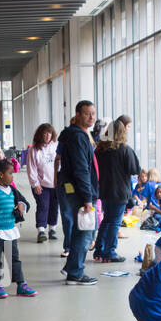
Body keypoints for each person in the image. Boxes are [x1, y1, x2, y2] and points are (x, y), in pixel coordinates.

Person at [57, 100, 100, 286]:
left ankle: (71, 266)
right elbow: (81, 168)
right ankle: (75, 273)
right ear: (77, 115)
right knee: (86, 230)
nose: (91, 117)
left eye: (93, 113)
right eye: (87, 113)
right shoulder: (77, 137)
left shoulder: (78, 135)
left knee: (79, 229)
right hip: (78, 191)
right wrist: (87, 197)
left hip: (74, 189)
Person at [0, 159, 35, 299]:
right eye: (10, 173)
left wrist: (21, 205)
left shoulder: (12, 190)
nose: (13, 176)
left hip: (10, 230)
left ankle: (21, 284)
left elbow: (23, 202)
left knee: (14, 258)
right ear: (0, 175)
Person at [93, 116, 140, 262]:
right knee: (114, 222)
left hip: (105, 190)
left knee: (107, 220)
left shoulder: (100, 150)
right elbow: (135, 169)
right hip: (120, 191)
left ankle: (99, 250)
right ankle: (109, 252)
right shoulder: (125, 150)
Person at [26, 123, 58, 243]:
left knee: (54, 207)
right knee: (43, 206)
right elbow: (31, 168)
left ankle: (52, 229)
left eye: (49, 133)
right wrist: (35, 184)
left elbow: (61, 164)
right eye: (44, 133)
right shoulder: (34, 150)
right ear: (40, 134)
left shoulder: (56, 146)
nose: (47, 135)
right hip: (41, 185)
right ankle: (41, 230)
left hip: (55, 183)